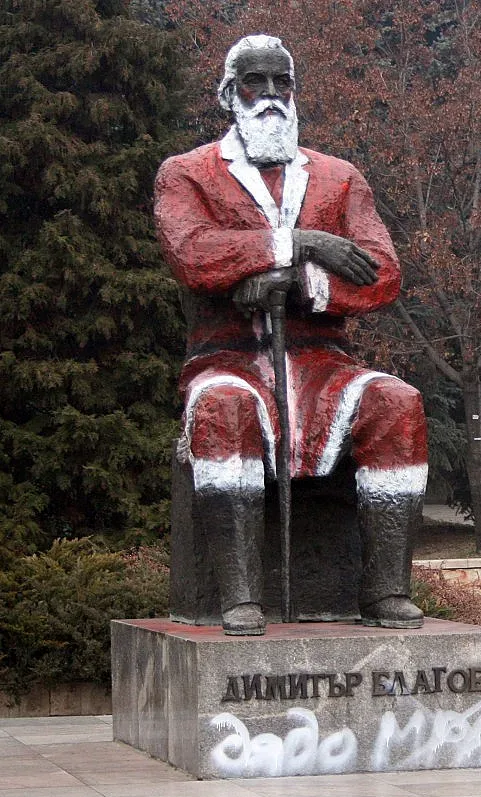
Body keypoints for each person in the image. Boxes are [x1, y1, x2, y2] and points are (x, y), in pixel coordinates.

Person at [154, 34, 427, 635]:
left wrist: (299, 284)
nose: (272, 95)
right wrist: (301, 242)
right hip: (227, 357)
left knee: (397, 403)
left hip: (322, 362)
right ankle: (239, 596)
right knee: (223, 408)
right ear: (229, 94)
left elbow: (383, 272)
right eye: (256, 82)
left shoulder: (338, 177)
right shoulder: (186, 173)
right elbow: (194, 254)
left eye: (283, 82)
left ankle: (386, 590)